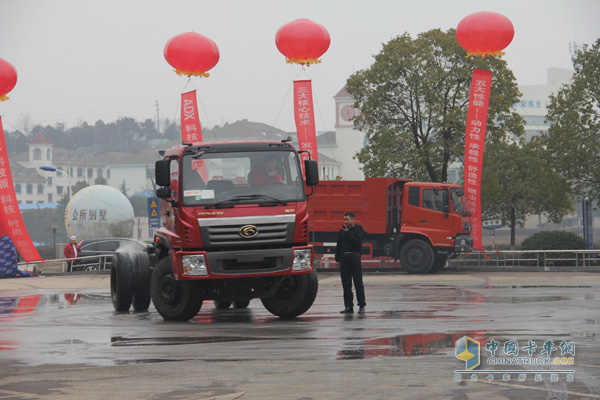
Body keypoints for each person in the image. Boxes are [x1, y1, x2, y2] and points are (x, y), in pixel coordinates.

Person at [335, 212, 367, 314]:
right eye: (344, 219)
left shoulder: (359, 230)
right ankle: (348, 306)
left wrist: (348, 232)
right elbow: (339, 244)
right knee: (346, 283)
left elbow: (357, 242)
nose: (345, 221)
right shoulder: (342, 231)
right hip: (344, 258)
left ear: (353, 219)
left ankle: (361, 305)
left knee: (358, 282)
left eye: (347, 219)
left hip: (354, 257)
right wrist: (337, 258)